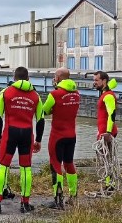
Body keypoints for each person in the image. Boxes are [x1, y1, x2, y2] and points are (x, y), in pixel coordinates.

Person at [0, 66, 44, 215]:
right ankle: (25, 204)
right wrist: (39, 140)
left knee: (3, 167)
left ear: (14, 78)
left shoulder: (5, 92)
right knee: (26, 168)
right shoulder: (36, 95)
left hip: (10, 133)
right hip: (27, 134)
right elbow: (41, 120)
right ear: (28, 79)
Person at [42, 68, 80, 209]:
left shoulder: (55, 94)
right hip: (72, 135)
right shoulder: (77, 94)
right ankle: (73, 195)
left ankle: (58, 200)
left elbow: (44, 110)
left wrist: (53, 109)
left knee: (56, 165)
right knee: (69, 163)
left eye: (55, 76)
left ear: (59, 77)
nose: (54, 78)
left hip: (57, 136)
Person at [93, 70, 118, 191]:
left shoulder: (108, 96)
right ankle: (109, 184)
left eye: (97, 80)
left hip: (107, 132)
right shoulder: (104, 93)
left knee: (107, 159)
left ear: (104, 81)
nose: (94, 83)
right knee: (105, 158)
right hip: (102, 131)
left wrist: (108, 132)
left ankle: (110, 186)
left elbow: (112, 114)